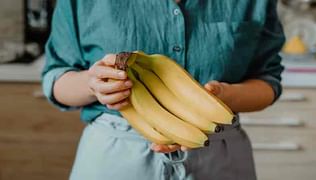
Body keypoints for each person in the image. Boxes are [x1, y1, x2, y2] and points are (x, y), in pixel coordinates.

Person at [42, 0, 285, 179]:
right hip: (116, 154)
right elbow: (56, 78)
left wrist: (223, 97)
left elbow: (268, 80)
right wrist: (92, 84)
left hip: (218, 151)